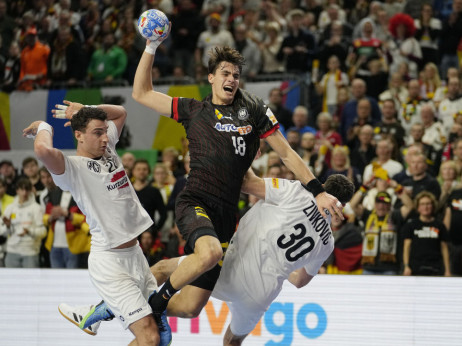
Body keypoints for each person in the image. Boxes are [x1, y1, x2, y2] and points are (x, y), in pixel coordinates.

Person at [127, 27, 343, 335]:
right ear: (211, 78)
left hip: (227, 215)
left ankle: (135, 308)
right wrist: (151, 46)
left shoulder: (252, 110)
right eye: (225, 73)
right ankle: (143, 302)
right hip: (196, 201)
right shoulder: (194, 109)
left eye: (236, 75)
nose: (231, 79)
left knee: (190, 307)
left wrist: (318, 191)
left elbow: (287, 153)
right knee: (208, 254)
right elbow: (141, 93)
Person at [59, 172, 355, 345]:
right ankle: (123, 313)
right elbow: (301, 280)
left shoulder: (296, 192)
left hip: (231, 265)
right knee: (231, 341)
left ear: (324, 189)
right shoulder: (327, 243)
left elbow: (245, 182)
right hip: (261, 293)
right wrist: (279, 266)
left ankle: (104, 309)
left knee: (162, 271)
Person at [22, 103, 170, 345]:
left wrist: (86, 109)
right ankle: (96, 312)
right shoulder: (71, 168)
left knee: (160, 338)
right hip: (110, 262)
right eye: (97, 133)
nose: (104, 137)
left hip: (135, 256)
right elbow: (42, 150)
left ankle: (95, 313)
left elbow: (121, 112)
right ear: (78, 135)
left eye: (105, 131)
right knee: (151, 337)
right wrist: (44, 126)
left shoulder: (108, 149)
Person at [1, 177, 46, 268]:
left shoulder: (36, 208)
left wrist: (29, 231)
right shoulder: (10, 208)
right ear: (17, 190)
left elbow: (43, 232)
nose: (24, 193)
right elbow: (2, 231)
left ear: (31, 191)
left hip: (30, 252)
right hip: (12, 251)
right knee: (11, 282)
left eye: (27, 189)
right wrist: (8, 226)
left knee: (31, 282)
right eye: (22, 189)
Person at [403, 191, 451, 276]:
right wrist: (406, 266)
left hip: (435, 267)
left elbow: (444, 248)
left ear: (433, 206)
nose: (425, 207)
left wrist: (447, 270)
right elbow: (407, 246)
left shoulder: (439, 225)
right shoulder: (411, 225)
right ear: (418, 207)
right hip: (415, 268)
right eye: (422, 204)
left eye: (428, 204)